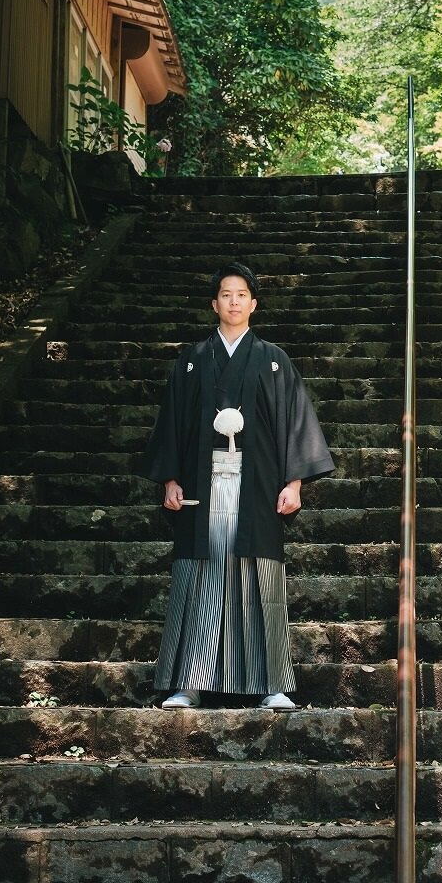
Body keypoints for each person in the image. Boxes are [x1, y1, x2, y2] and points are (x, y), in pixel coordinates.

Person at [136, 261, 335, 710]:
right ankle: (190, 681)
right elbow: (172, 423)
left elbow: (294, 423)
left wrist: (295, 481)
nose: (233, 302)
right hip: (200, 486)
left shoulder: (273, 360)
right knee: (199, 577)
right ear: (214, 304)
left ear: (254, 303)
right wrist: (169, 478)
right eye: (225, 294)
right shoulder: (191, 360)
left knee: (258, 579)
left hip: (258, 484)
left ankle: (271, 684)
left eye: (241, 294)